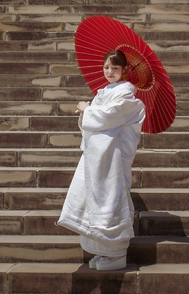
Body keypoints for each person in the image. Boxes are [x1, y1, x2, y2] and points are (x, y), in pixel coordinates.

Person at [57, 49, 146, 271]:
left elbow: (108, 118)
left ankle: (116, 253)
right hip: (98, 156)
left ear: (124, 70)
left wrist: (88, 110)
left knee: (112, 199)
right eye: (106, 67)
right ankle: (101, 250)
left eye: (115, 68)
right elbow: (96, 120)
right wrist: (86, 113)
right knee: (94, 200)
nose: (109, 72)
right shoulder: (104, 92)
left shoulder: (127, 96)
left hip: (114, 157)